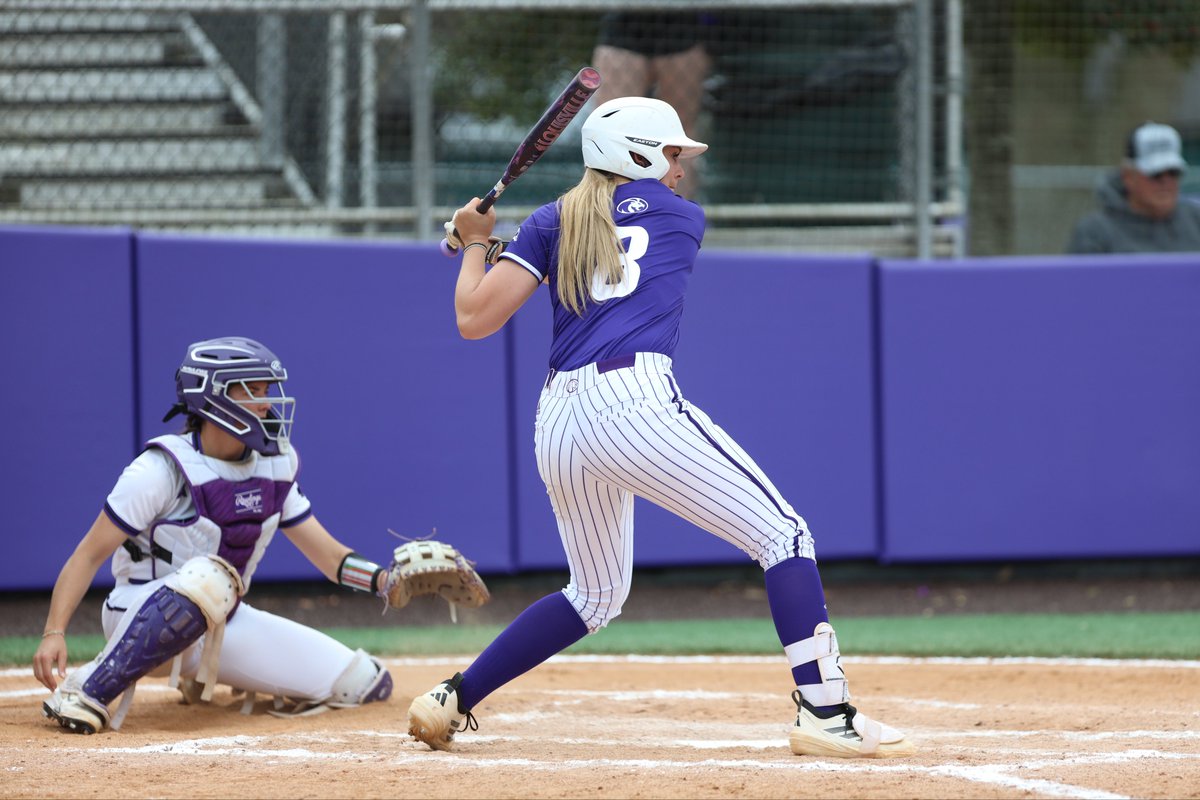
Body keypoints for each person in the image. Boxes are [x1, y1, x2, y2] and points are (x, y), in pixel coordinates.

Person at [406, 97, 914, 760]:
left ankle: (453, 697)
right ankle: (824, 711)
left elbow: (473, 317)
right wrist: (487, 239)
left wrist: (473, 242)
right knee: (784, 534)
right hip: (632, 402)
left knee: (593, 595)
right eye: (671, 154)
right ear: (638, 155)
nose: (679, 169)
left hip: (558, 420)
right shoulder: (677, 218)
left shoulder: (550, 221)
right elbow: (618, 234)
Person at [32, 336, 457, 734]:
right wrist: (54, 631)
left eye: (267, 389)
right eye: (251, 389)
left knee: (364, 682)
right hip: (133, 611)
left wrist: (386, 581)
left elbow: (329, 557)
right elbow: (88, 555)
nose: (266, 402)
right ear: (211, 397)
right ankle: (86, 689)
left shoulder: (276, 464)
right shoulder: (160, 469)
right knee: (209, 578)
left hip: (219, 621)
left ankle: (199, 675)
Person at [590, 12, 714, 198]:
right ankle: (608, 216)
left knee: (680, 135)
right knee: (610, 132)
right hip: (624, 20)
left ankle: (676, 215)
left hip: (680, 21)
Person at [1066, 121, 1200, 253]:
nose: (1166, 182)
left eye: (1173, 172)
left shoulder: (1195, 221)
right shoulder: (1095, 233)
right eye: (1155, 174)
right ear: (1128, 176)